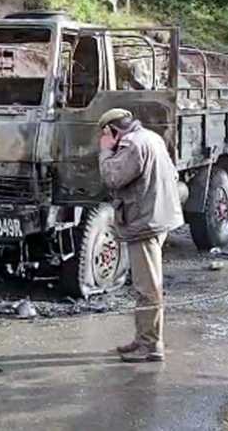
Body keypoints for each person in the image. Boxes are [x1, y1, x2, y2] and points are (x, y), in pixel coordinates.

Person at [98, 108, 184, 363]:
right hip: (157, 217)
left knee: (147, 288)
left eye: (106, 134)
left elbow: (112, 177)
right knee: (147, 285)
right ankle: (143, 338)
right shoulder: (150, 137)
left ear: (112, 130)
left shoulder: (133, 145)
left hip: (146, 223)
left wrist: (105, 151)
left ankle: (150, 345)